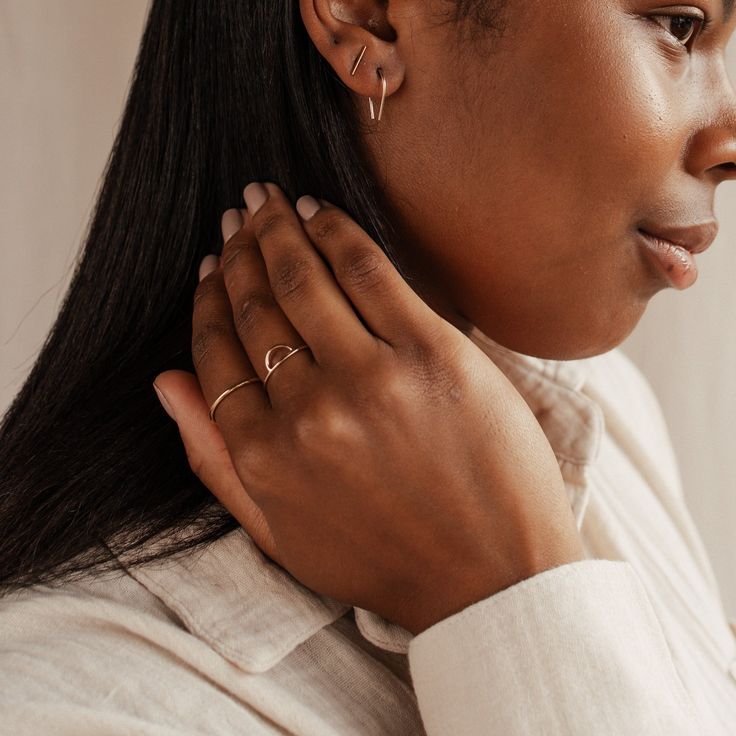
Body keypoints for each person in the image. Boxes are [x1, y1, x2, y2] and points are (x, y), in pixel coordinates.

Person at [1, 0, 735, 733]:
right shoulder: (73, 702)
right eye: (681, 25)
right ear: (368, 17)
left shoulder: (602, 420)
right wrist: (508, 598)